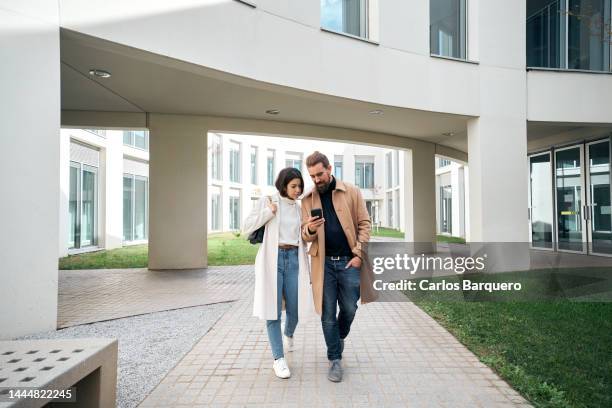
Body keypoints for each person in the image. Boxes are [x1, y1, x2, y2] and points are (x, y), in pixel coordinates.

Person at [301, 151, 373, 383]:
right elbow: (305, 235)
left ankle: (338, 337)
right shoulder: (307, 199)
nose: (317, 180)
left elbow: (364, 223)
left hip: (349, 261)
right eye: (312, 176)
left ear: (330, 169)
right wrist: (310, 229)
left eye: (320, 174)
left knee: (350, 308)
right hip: (323, 265)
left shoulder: (351, 191)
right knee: (328, 315)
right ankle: (335, 359)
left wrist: (359, 254)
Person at [242, 167, 314, 379]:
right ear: (283, 185)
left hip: (294, 260)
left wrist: (309, 226)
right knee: (272, 311)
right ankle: (278, 359)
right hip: (273, 260)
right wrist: (268, 212)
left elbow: (303, 236)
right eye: (293, 186)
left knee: (295, 308)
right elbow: (246, 226)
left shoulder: (300, 208)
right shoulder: (268, 201)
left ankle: (288, 333)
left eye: (299, 186)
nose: (297, 190)